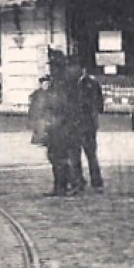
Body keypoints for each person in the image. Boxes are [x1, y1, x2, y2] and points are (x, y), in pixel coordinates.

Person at [41, 51, 85, 195]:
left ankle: (75, 184)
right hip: (57, 125)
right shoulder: (55, 82)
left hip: (67, 125)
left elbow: (70, 104)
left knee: (68, 156)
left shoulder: (67, 82)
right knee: (55, 156)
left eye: (54, 66)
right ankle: (60, 186)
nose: (51, 69)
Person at [73, 64, 105, 192]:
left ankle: (97, 182)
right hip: (75, 125)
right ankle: (79, 181)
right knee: (75, 154)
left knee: (91, 154)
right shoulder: (71, 84)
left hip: (88, 125)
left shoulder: (91, 83)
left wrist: (93, 114)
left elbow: (100, 102)